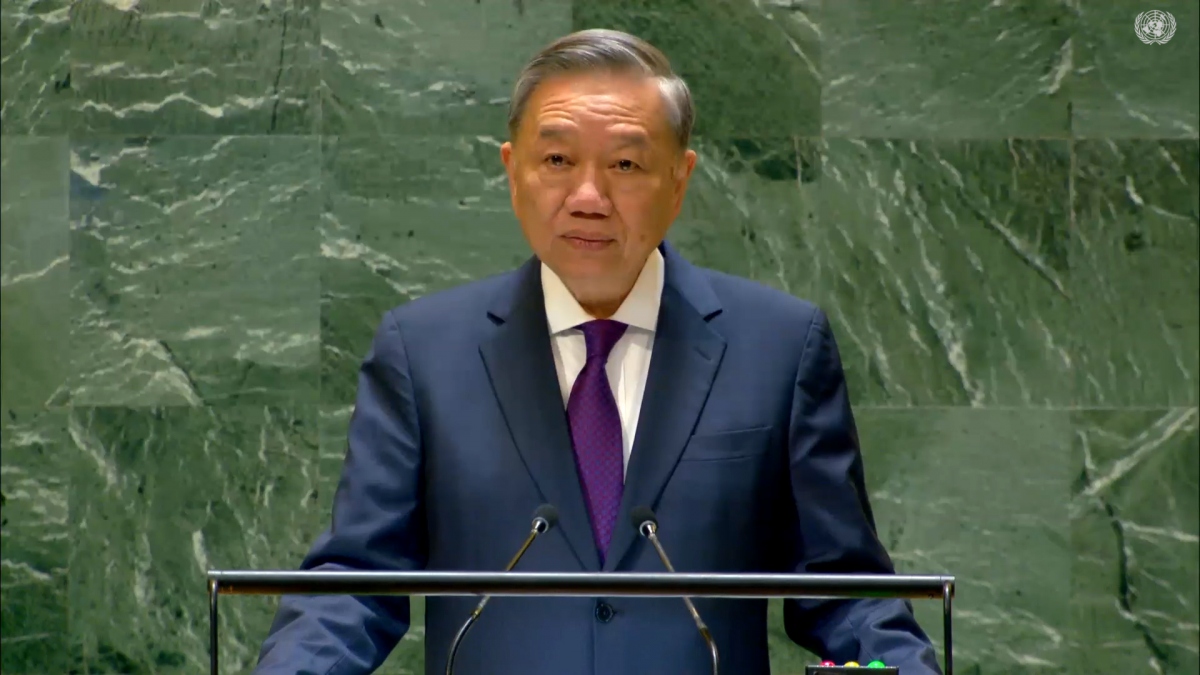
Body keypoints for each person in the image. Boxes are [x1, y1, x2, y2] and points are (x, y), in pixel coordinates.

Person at [255, 28, 942, 675]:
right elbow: (354, 583)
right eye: (556, 160)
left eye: (625, 163)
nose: (588, 196)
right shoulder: (424, 352)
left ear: (680, 178)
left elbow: (846, 587)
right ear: (511, 170)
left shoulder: (781, 346)